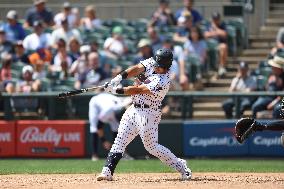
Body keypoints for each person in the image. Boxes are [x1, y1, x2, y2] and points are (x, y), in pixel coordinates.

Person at [96, 48, 191, 181]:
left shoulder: (162, 81)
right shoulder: (154, 61)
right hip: (133, 109)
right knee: (119, 140)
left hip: (149, 113)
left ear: (166, 66)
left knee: (151, 147)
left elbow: (137, 90)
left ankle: (181, 165)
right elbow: (136, 68)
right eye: (157, 64)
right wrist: (118, 77)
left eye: (160, 66)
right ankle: (107, 171)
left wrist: (115, 90)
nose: (156, 67)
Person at [89, 91, 132, 161]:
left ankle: (118, 153)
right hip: (96, 103)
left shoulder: (123, 107)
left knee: (117, 129)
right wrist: (104, 141)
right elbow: (99, 126)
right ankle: (94, 155)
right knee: (93, 127)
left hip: (110, 101)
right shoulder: (107, 111)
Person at [252, 51, 284, 119]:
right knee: (256, 106)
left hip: (279, 99)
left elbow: (281, 95)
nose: (272, 67)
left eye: (274, 66)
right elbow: (266, 88)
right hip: (267, 97)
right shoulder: (271, 75)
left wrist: (273, 103)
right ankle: (254, 126)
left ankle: (275, 128)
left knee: (277, 109)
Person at [204, 12, 228, 78]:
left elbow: (224, 34)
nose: (215, 20)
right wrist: (216, 33)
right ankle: (205, 69)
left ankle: (222, 67)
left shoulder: (222, 25)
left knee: (223, 47)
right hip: (209, 46)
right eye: (214, 19)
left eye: (217, 19)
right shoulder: (208, 25)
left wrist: (215, 28)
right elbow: (205, 35)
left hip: (218, 45)